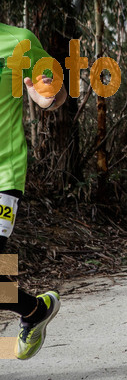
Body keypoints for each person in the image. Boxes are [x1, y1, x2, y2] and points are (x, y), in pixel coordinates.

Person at [0, 25, 67, 359]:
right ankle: (34, 311)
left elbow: (53, 89)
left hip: (3, 173)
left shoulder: (19, 42)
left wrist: (46, 97)